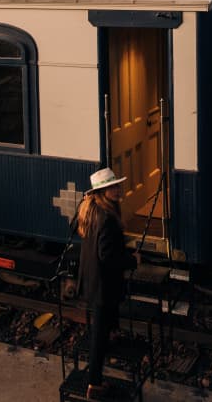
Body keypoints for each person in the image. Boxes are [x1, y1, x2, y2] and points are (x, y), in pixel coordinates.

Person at [76, 168, 138, 400]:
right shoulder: (107, 218)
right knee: (97, 337)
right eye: (113, 186)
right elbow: (108, 256)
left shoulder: (89, 210)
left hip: (92, 279)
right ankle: (94, 384)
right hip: (103, 285)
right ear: (102, 192)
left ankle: (112, 334)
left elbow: (76, 228)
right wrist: (132, 260)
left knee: (106, 323)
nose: (118, 189)